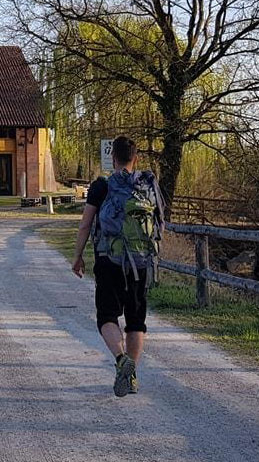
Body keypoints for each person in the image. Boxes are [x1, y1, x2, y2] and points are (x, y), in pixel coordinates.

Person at [72, 135, 164, 397]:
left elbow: (85, 224)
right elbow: (160, 224)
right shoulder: (148, 185)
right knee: (136, 321)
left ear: (113, 159)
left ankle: (121, 359)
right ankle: (131, 374)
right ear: (135, 159)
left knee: (107, 316)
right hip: (140, 261)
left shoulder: (101, 186)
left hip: (108, 260)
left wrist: (78, 256)